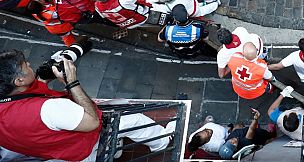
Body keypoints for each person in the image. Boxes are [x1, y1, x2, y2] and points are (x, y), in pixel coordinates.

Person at [0, 50, 174, 160]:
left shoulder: (6, 103)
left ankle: (116, 150)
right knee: (132, 119)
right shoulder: (48, 109)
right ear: (19, 80)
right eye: (26, 66)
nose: (30, 65)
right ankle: (163, 142)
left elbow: (26, 100)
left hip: (56, 151)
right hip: (83, 148)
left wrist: (43, 78)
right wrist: (71, 83)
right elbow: (92, 122)